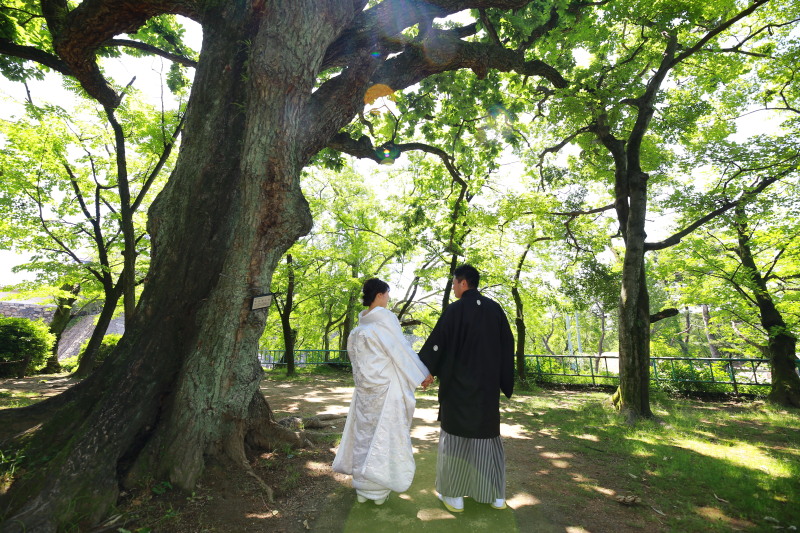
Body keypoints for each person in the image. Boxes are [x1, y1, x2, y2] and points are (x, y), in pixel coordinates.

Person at [418, 264, 514, 513]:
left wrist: (426, 370)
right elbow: (507, 346)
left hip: (458, 389)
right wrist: (503, 379)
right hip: (487, 390)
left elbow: (438, 344)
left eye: (454, 283)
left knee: (456, 439)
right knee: (488, 438)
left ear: (462, 283)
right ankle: (496, 496)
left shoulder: (455, 309)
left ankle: (454, 496)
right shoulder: (495, 309)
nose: (453, 288)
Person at [332, 278, 434, 505]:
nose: (388, 299)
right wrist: (422, 374)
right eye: (387, 294)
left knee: (364, 435)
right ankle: (378, 490)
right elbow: (401, 351)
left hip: (364, 393)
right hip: (385, 391)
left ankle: (362, 487)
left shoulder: (358, 330)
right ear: (379, 294)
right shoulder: (384, 323)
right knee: (384, 435)